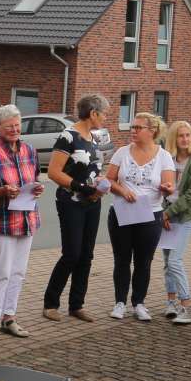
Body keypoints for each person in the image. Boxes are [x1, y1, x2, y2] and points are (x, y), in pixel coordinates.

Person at [0, 104, 44, 338]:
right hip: (1, 221)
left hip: (26, 218)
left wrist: (36, 189)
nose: (15, 130)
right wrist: (2, 191)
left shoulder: (30, 151)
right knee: (1, 272)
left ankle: (9, 316)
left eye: (17, 125)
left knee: (18, 272)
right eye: (9, 127)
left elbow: (33, 178)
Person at [42, 94, 110, 323]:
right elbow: (53, 173)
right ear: (93, 113)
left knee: (87, 255)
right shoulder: (68, 136)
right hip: (71, 202)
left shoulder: (95, 137)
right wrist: (82, 187)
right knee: (72, 253)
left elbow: (94, 167)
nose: (105, 119)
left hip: (93, 202)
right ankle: (51, 303)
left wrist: (100, 183)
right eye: (104, 114)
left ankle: (76, 304)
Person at [103, 111, 175, 321]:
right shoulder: (122, 152)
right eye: (132, 127)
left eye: (137, 127)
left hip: (151, 214)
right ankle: (119, 303)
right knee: (122, 260)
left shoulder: (164, 156)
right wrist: (122, 191)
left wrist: (167, 188)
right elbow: (109, 181)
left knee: (144, 261)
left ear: (152, 131)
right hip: (122, 213)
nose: (132, 131)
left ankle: (139, 303)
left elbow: (169, 186)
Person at [160, 119, 191, 325]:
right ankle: (171, 303)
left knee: (175, 261)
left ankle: (186, 307)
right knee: (167, 262)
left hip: (183, 216)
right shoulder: (167, 158)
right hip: (166, 214)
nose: (185, 139)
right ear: (173, 138)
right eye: (181, 135)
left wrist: (169, 213)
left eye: (188, 135)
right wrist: (164, 212)